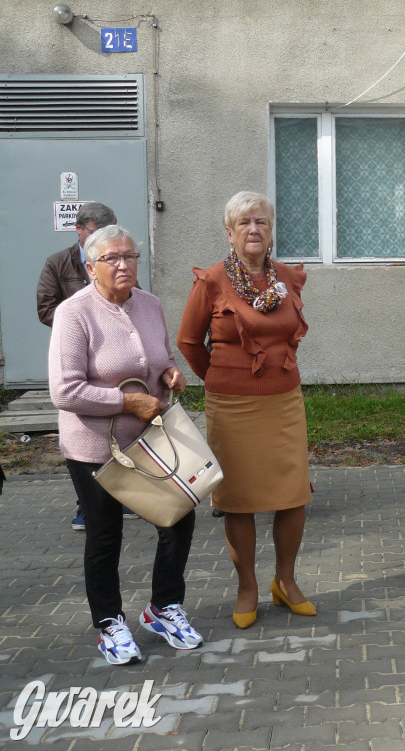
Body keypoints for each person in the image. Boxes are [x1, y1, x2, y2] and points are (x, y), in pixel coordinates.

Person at [49, 224, 201, 665]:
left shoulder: (150, 305)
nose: (122, 265)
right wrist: (127, 401)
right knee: (104, 535)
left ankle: (163, 607)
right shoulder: (74, 314)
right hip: (95, 448)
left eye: (129, 256)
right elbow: (65, 391)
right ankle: (109, 621)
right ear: (90, 267)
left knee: (178, 518)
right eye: (111, 258)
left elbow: (160, 357)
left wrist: (170, 373)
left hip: (151, 442)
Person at [177, 191, 315, 628]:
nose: (253, 229)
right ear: (229, 231)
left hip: (284, 403)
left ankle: (286, 582)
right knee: (238, 502)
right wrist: (220, 377)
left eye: (261, 222)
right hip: (232, 407)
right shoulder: (212, 281)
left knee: (293, 496)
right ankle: (247, 588)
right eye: (244, 223)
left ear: (271, 230)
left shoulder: (288, 279)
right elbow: (187, 341)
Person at [37, 201, 119, 531]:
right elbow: (45, 309)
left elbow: (133, 300)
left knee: (117, 428)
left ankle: (122, 496)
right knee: (85, 433)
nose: (107, 240)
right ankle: (86, 504)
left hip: (113, 361)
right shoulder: (59, 263)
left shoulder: (116, 261)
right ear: (80, 229)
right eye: (98, 233)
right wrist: (85, 321)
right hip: (76, 358)